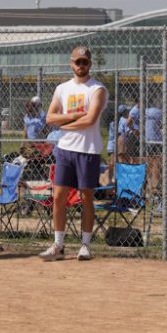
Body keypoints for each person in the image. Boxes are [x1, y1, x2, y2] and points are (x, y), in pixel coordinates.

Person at [38, 46, 107, 261]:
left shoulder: (97, 89)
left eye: (84, 62)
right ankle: (58, 245)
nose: (81, 66)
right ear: (71, 63)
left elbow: (91, 120)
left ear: (90, 64)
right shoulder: (62, 88)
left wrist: (65, 123)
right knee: (58, 197)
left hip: (87, 150)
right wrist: (77, 115)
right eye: (77, 62)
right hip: (65, 150)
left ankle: (85, 245)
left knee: (86, 197)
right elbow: (49, 118)